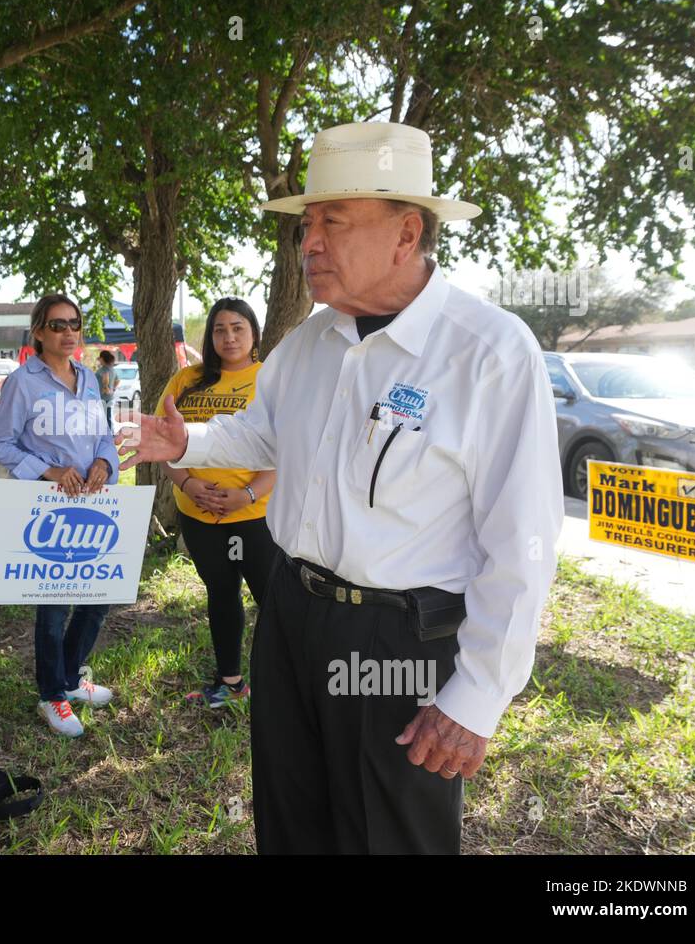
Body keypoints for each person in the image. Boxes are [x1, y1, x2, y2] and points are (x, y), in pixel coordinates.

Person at [117, 122, 564, 853]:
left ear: (406, 232)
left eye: (333, 222)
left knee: (388, 834)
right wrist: (188, 441)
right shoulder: (309, 343)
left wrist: (479, 695)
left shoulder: (487, 352)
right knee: (293, 819)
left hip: (397, 635)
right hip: (292, 611)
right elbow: (264, 432)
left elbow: (525, 539)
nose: (309, 243)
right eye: (307, 224)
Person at [0, 294, 120, 737]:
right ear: (39, 332)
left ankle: (70, 675)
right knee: (54, 604)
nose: (68, 333)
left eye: (74, 324)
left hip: (92, 502)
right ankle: (51, 695)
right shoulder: (22, 383)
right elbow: (1, 443)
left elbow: (104, 436)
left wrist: (104, 463)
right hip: (47, 508)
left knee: (98, 595)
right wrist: (49, 470)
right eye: (58, 325)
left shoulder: (89, 378)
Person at [157, 298, 277, 708]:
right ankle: (231, 683)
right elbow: (162, 444)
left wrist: (246, 493)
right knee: (221, 594)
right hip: (199, 514)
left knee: (272, 602)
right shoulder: (185, 381)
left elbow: (292, 452)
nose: (229, 337)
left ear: (254, 333)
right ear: (209, 336)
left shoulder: (272, 380)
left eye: (238, 328)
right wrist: (188, 484)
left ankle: (283, 687)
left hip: (256, 514)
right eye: (220, 329)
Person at [95, 349, 120, 431]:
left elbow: (105, 379)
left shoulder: (102, 371)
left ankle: (108, 436)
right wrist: (113, 389)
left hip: (102, 397)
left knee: (103, 418)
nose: (99, 360)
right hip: (110, 397)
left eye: (100, 358)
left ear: (102, 358)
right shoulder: (112, 370)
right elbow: (118, 380)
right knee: (108, 417)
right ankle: (110, 434)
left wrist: (106, 387)